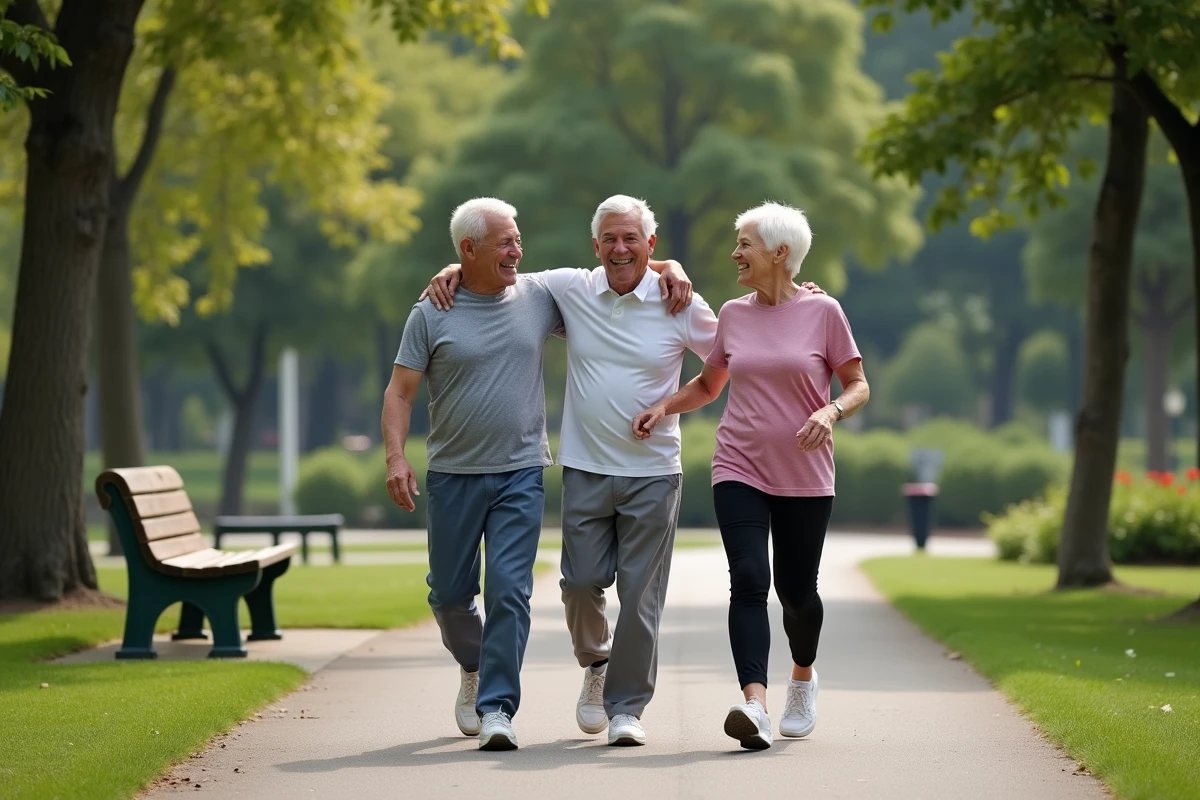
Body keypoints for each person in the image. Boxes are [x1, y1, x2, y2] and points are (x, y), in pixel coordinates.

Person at [422, 195, 728, 746]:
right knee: (580, 584)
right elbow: (497, 274)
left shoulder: (679, 301)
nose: (620, 248)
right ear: (595, 246)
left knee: (641, 596)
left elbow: (722, 362)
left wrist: (670, 405)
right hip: (585, 467)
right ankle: (597, 661)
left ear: (651, 244)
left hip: (654, 470)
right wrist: (453, 267)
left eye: (631, 238)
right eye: (609, 238)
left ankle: (626, 708)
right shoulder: (570, 288)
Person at [632, 201, 869, 751]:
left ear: (780, 253)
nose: (735, 253)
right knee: (748, 579)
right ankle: (755, 704)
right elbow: (709, 385)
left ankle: (802, 679)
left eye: (745, 244)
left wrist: (830, 411)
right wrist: (664, 407)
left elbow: (858, 385)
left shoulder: (824, 311)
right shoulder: (734, 315)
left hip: (805, 473)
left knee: (797, 593)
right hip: (738, 465)